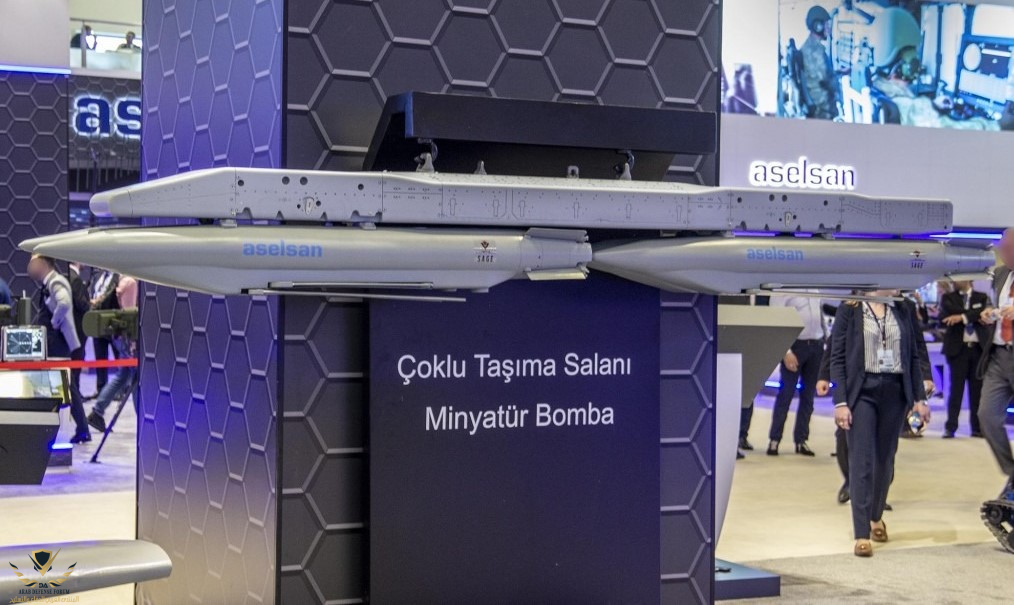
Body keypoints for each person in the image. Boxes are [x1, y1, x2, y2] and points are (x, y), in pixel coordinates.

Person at [831, 291, 929, 557]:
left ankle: (876, 516)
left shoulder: (903, 307)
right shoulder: (851, 308)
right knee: (861, 461)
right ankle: (861, 533)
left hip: (895, 392)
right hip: (862, 392)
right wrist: (840, 402)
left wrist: (919, 398)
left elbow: (913, 356)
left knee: (885, 461)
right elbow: (837, 357)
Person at [27, 255, 90, 443]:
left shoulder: (56, 281)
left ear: (43, 264)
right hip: (54, 343)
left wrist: (54, 323)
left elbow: (64, 303)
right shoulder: (49, 283)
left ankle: (82, 429)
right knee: (64, 385)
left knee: (66, 385)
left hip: (58, 344)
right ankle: (80, 428)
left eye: (33, 262)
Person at [977, 228, 1014, 499]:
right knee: (987, 416)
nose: (1004, 254)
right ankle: (1012, 473)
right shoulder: (1000, 275)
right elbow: (994, 307)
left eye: (1008, 249)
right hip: (999, 355)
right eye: (1002, 249)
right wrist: (988, 313)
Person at [767, 293, 825, 456]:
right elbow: (776, 323)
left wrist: (824, 340)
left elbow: (819, 315)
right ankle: (774, 439)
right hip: (795, 346)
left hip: (816, 345)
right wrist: (785, 351)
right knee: (786, 394)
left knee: (808, 397)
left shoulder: (815, 288)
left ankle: (801, 440)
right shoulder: (783, 290)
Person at [87, 275, 138, 433]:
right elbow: (129, 313)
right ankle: (142, 417)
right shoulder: (130, 283)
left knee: (123, 376)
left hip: (120, 338)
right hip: (129, 340)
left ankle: (98, 411)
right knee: (136, 379)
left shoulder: (121, 280)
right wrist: (133, 343)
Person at [940, 280, 989, 438]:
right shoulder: (948, 298)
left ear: (969, 279)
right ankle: (951, 427)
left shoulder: (981, 297)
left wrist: (961, 317)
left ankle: (977, 428)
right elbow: (946, 314)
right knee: (956, 390)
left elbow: (984, 312)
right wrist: (974, 315)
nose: (955, 281)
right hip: (958, 351)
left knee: (977, 391)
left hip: (977, 350)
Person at [800, 6, 838, 120]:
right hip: (822, 108)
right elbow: (826, 80)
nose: (829, 29)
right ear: (817, 26)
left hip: (817, 102)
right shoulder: (815, 50)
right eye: (826, 25)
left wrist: (838, 72)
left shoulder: (810, 46)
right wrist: (839, 81)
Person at [89, 269, 121, 396]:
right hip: (97, 323)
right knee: (100, 358)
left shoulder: (118, 277)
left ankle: (120, 390)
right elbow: (91, 292)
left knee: (119, 358)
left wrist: (98, 302)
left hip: (112, 322)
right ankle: (101, 389)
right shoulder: (97, 276)